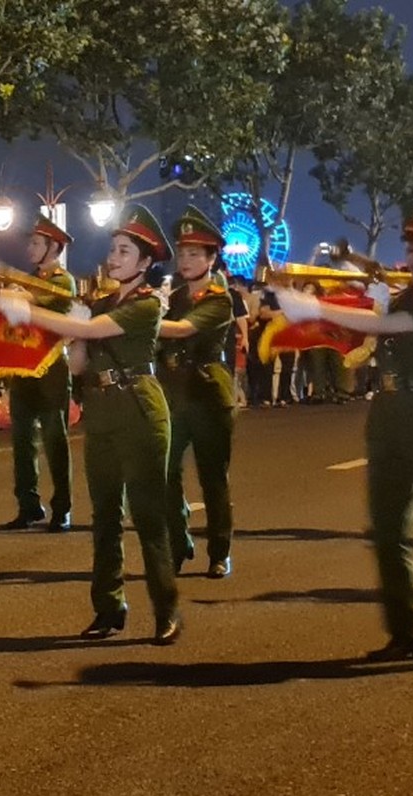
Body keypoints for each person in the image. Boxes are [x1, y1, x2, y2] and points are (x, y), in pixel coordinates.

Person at [282, 199, 413, 668]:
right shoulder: (402, 294)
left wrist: (315, 307)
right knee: (386, 531)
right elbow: (374, 330)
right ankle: (406, 631)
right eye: (412, 248)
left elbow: (393, 325)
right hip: (389, 414)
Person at [0, 204, 181, 644]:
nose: (114, 258)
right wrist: (71, 331)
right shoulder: (99, 303)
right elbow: (78, 364)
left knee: (149, 518)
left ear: (146, 262)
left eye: (124, 251)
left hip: (139, 409)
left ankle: (166, 609)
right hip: (101, 410)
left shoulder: (146, 305)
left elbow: (97, 334)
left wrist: (28, 313)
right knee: (106, 519)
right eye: (113, 249)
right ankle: (109, 607)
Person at [156, 207, 237, 578]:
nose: (185, 260)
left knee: (212, 477)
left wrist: (148, 317)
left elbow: (184, 330)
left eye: (194, 254)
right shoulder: (171, 298)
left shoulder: (220, 299)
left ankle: (220, 552)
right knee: (166, 474)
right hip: (174, 395)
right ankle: (179, 541)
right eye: (182, 253)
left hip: (208, 394)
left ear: (211, 258)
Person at [4, 214, 77, 532]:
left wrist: (9, 293)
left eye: (36, 243)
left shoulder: (62, 281)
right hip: (23, 367)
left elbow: (36, 304)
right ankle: (28, 505)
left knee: (54, 441)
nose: (30, 248)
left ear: (53, 247)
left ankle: (62, 508)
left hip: (50, 368)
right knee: (22, 442)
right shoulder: (25, 280)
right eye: (30, 242)